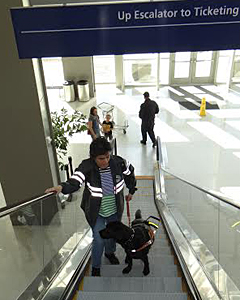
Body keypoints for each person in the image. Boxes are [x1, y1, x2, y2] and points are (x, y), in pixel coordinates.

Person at [45, 137, 137, 277]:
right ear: (93, 157)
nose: (105, 161)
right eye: (101, 158)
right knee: (99, 238)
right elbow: (75, 181)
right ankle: (96, 266)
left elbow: (130, 174)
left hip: (115, 209)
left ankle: (110, 253)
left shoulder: (119, 163)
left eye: (107, 157)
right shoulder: (86, 166)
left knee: (112, 235)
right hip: (96, 211)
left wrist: (131, 190)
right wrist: (61, 187)